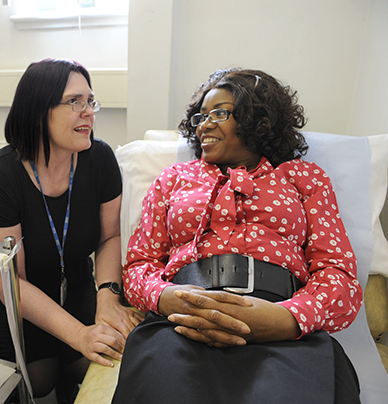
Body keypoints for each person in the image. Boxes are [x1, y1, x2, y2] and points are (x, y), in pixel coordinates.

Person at [112, 68, 363, 404]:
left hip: (283, 328)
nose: (204, 124)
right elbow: (139, 263)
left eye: (219, 113)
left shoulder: (304, 178)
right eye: (201, 116)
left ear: (257, 120)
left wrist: (288, 319)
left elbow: (339, 276)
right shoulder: (174, 178)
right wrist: (165, 298)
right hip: (181, 324)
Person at [0, 58, 142, 402]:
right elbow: (8, 280)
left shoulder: (100, 159)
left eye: (91, 101)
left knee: (99, 361)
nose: (88, 111)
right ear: (37, 111)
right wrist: (78, 335)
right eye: (75, 102)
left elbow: (109, 237)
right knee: (39, 379)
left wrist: (107, 295)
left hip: (72, 279)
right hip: (10, 293)